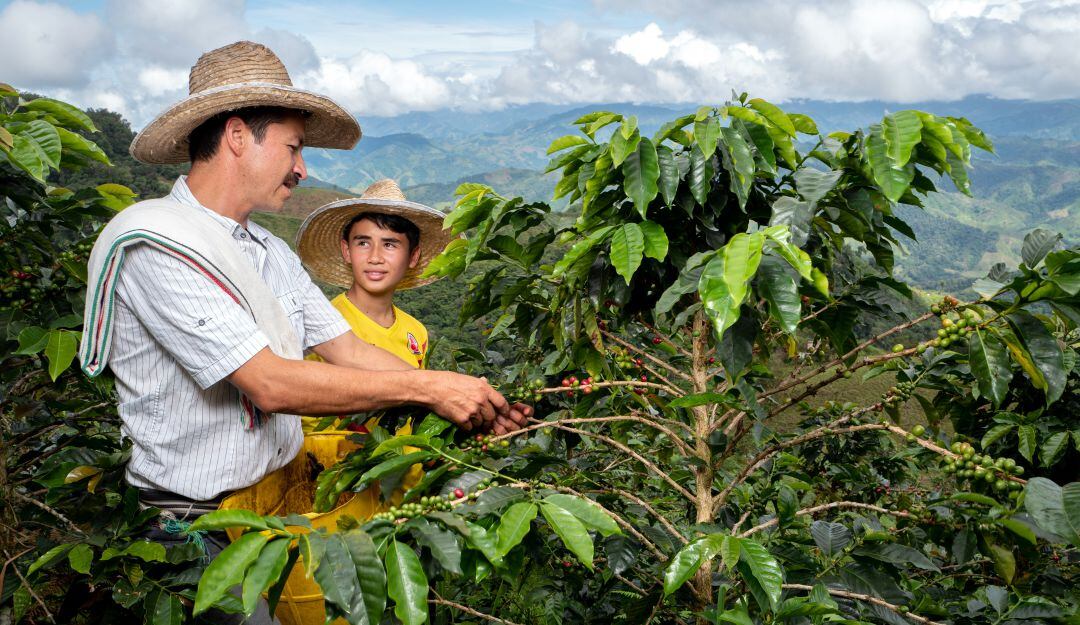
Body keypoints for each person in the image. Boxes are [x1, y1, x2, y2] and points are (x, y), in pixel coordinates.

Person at [79, 41, 529, 623]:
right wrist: (430, 390)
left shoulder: (268, 252)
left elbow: (345, 349)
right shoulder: (156, 242)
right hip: (189, 526)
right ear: (239, 136)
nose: (301, 167)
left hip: (266, 513)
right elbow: (268, 383)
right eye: (293, 146)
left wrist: (476, 398)